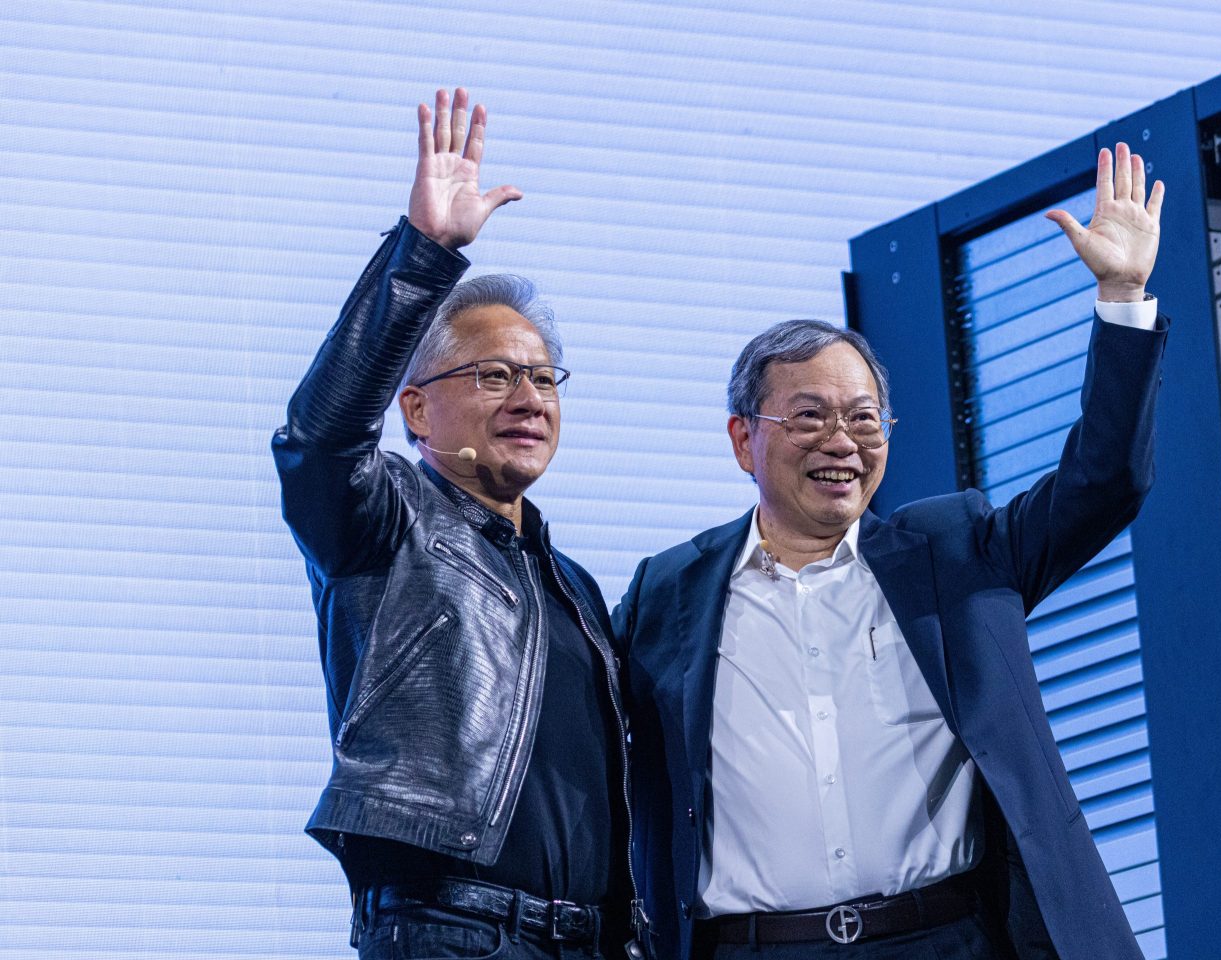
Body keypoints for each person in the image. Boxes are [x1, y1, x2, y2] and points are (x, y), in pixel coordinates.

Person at [614, 143, 1167, 959]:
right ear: (743, 440)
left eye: (864, 418)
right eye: (808, 417)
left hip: (951, 938)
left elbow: (1104, 481)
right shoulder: (667, 593)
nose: (842, 440)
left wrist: (1121, 297)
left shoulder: (959, 548)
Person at [273, 88, 635, 959]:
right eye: (493, 375)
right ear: (416, 412)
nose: (528, 398)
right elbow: (317, 443)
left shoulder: (573, 586)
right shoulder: (387, 521)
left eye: (545, 379)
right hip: (452, 931)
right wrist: (423, 255)